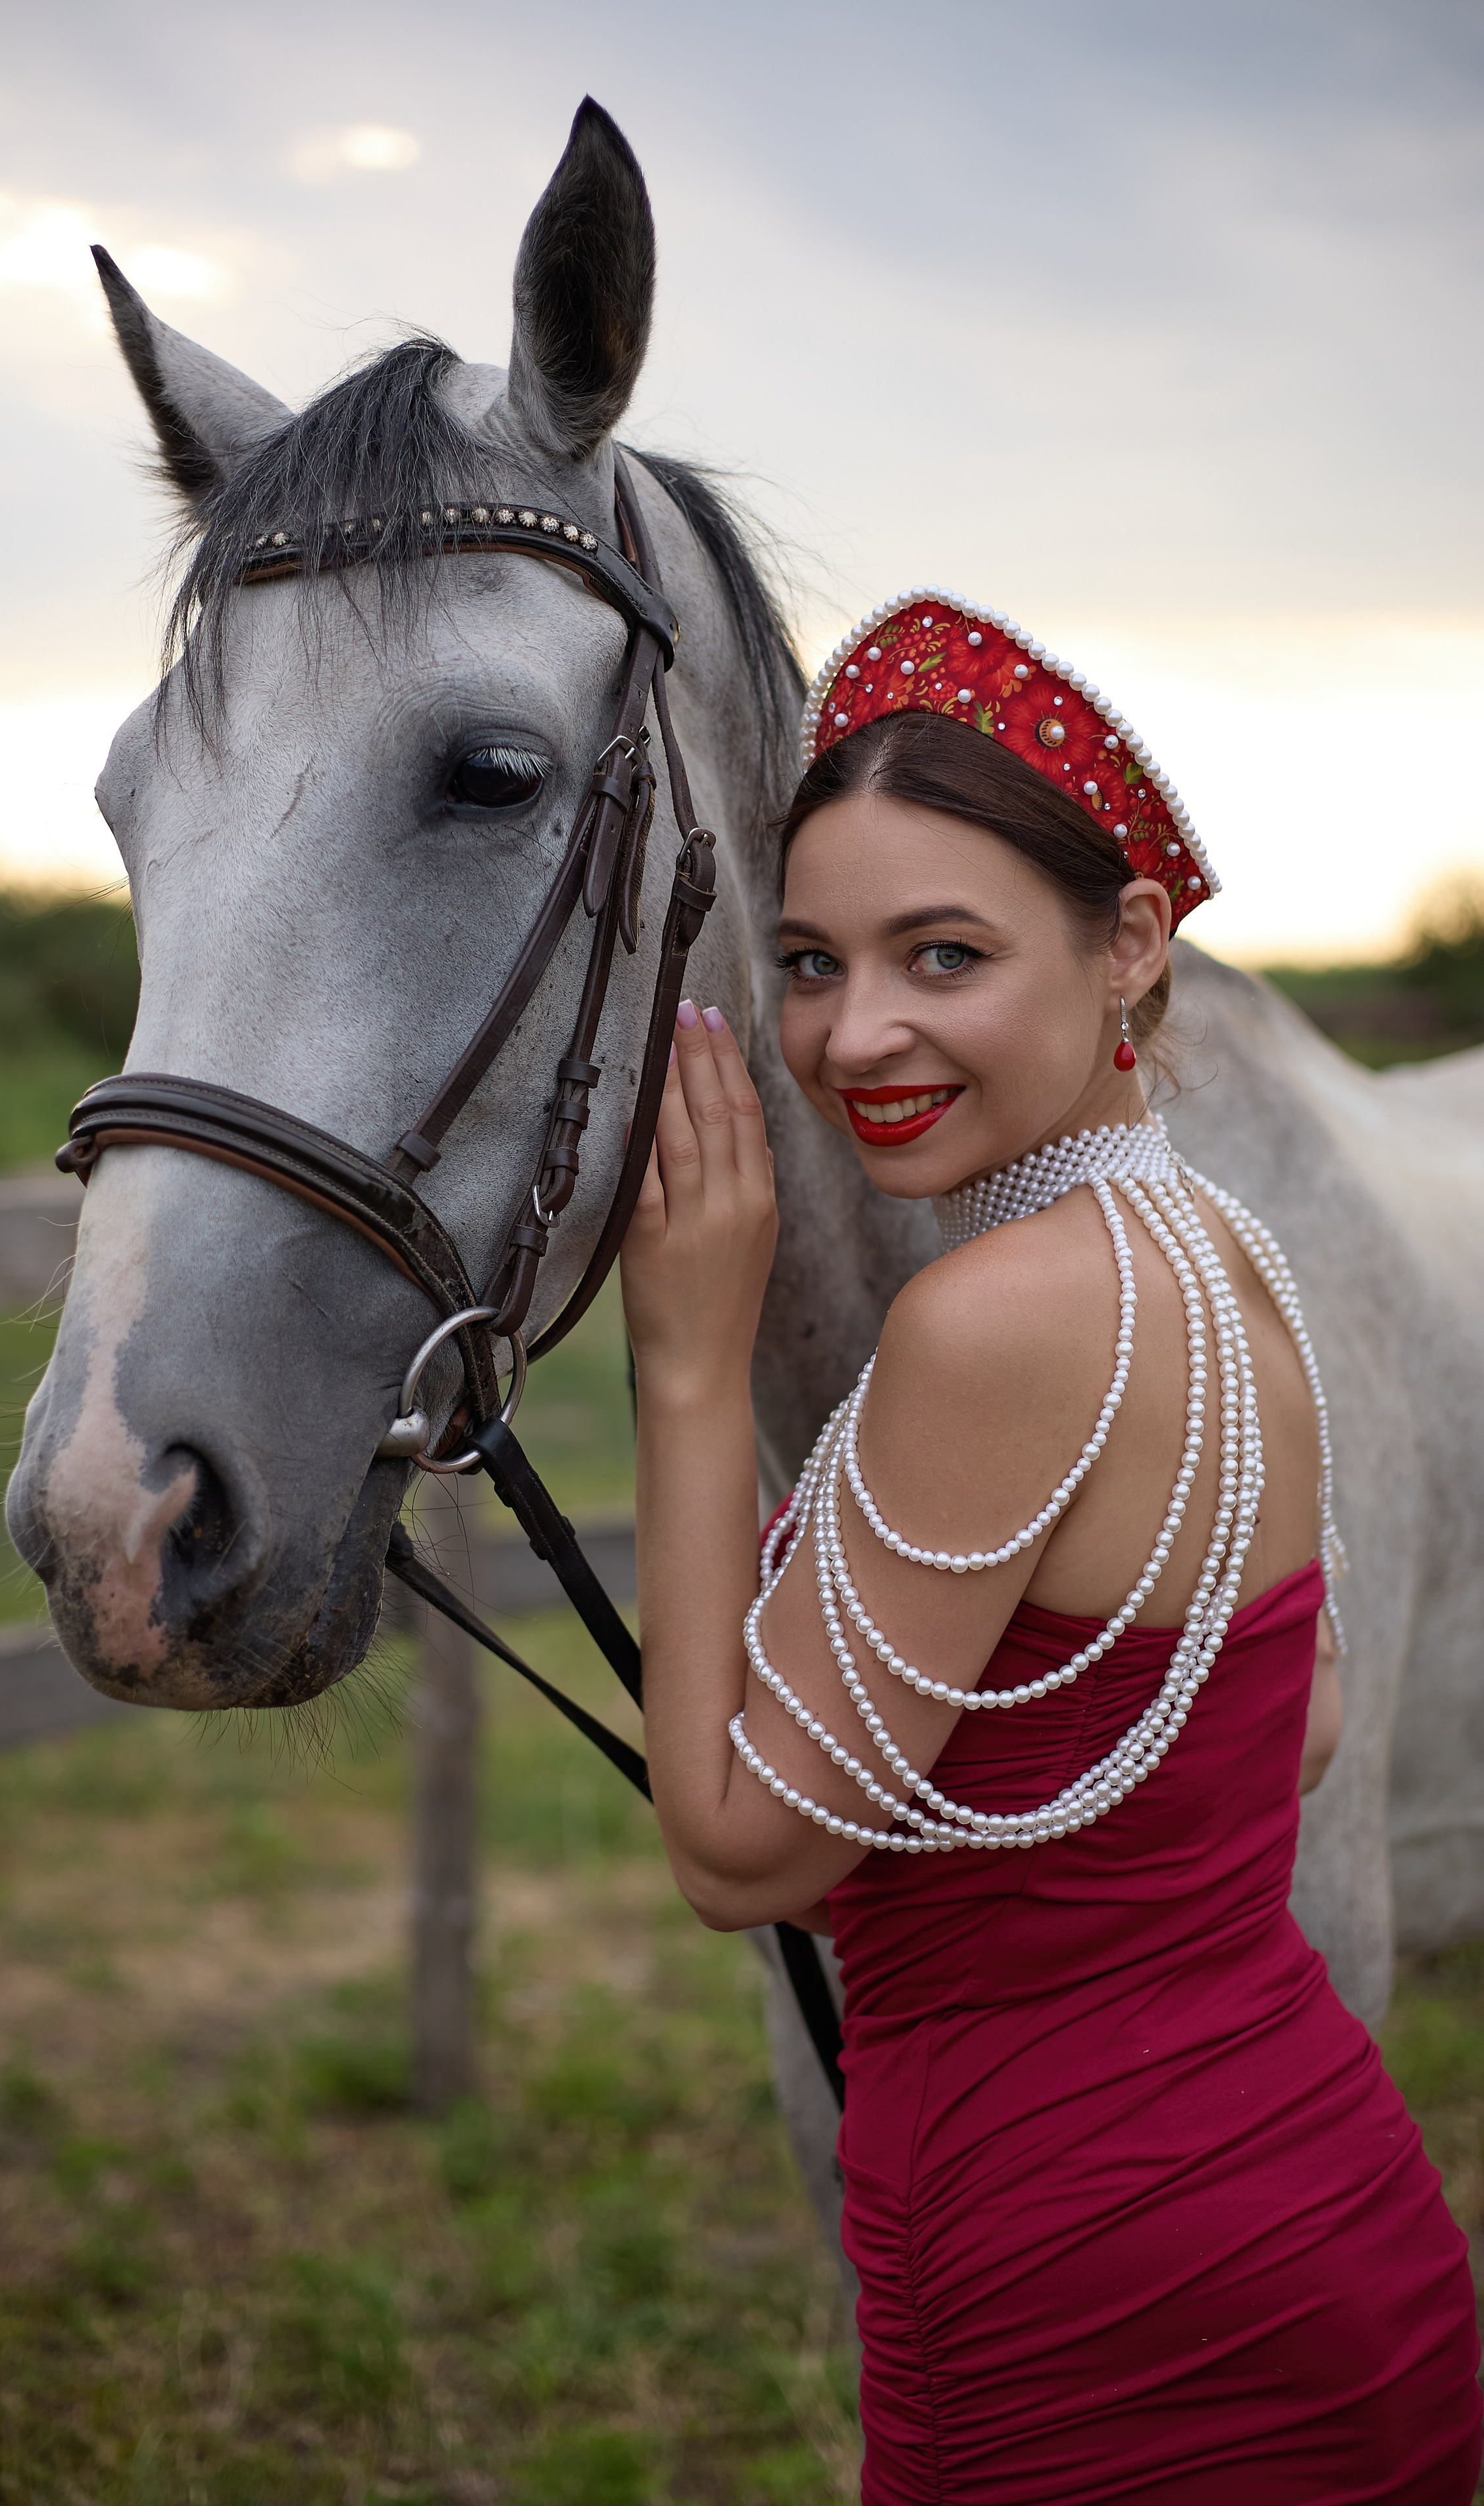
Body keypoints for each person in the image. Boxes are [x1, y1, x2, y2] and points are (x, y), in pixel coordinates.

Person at [620, 587, 1481, 2503]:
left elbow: (738, 1852)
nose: (859, 1034)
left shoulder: (991, 1326)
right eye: (811, 963)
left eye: (945, 953)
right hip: (1317, 2210)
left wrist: (688, 1364)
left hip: (1079, 2274)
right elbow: (1305, 1722)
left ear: (1132, 952)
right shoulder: (1230, 1261)